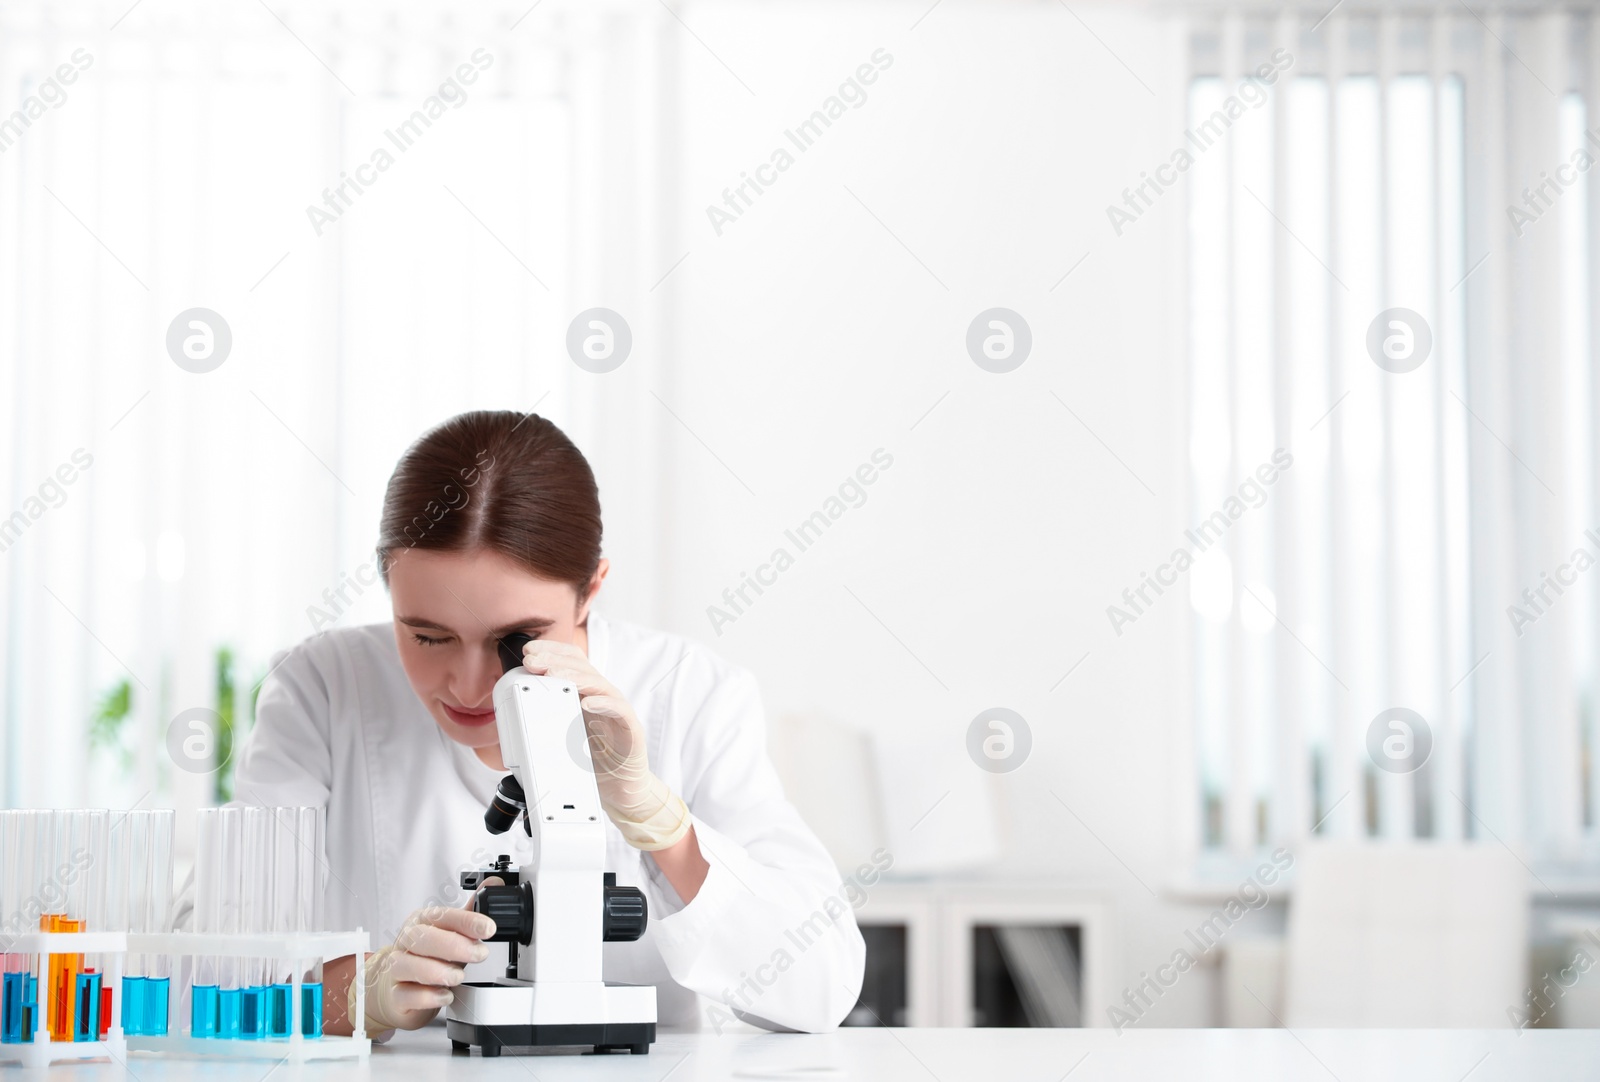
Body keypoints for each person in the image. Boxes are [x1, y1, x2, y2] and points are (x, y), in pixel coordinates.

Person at [210, 409, 865, 1037]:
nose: (470, 688)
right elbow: (200, 980)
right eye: (428, 637)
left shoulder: (689, 693)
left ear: (591, 590)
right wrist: (353, 996)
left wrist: (661, 825)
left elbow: (821, 987)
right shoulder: (326, 687)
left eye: (516, 640)